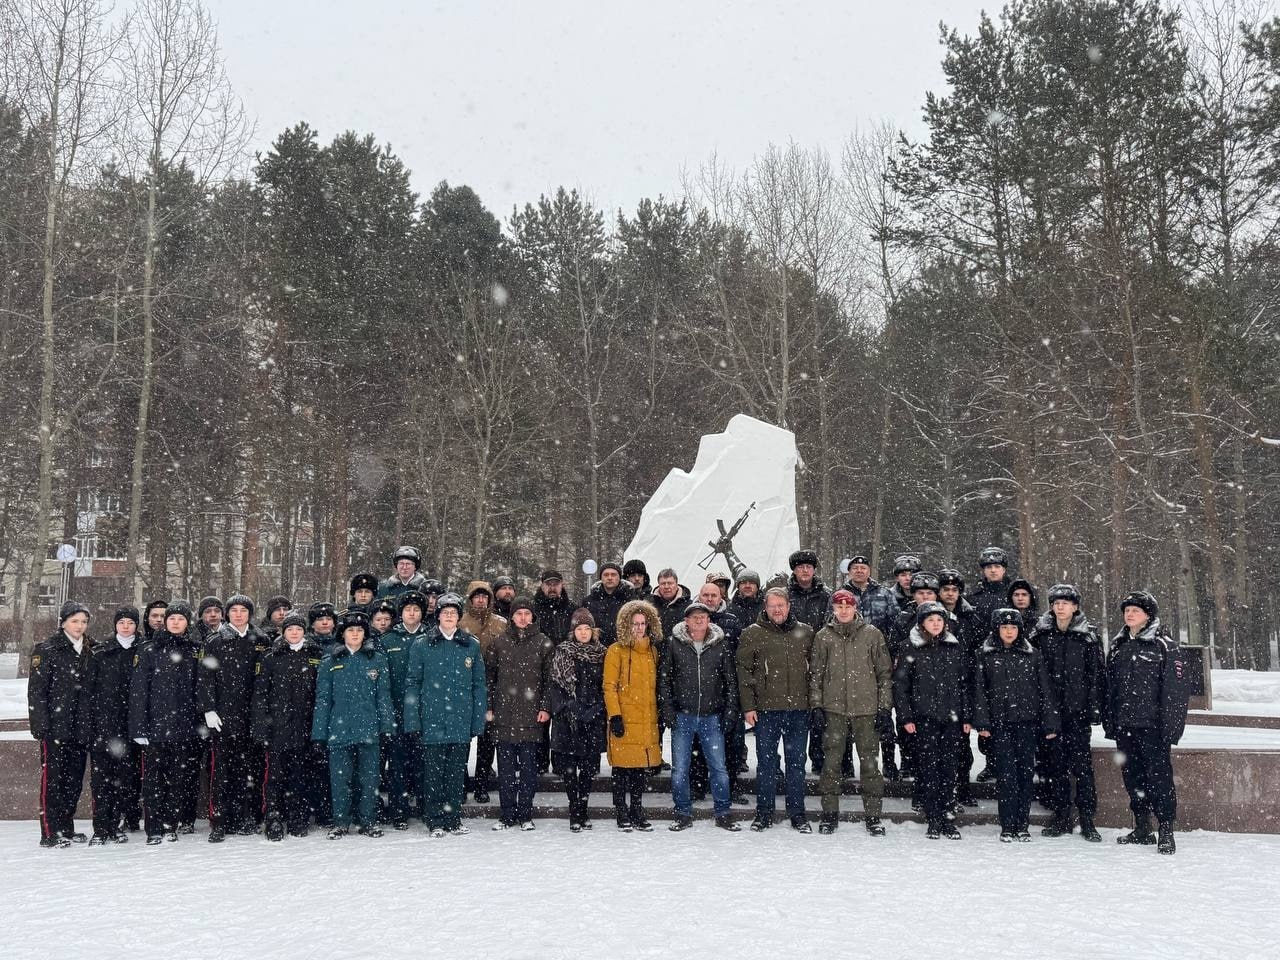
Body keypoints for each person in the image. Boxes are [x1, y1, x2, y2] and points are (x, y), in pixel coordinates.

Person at [1104, 591, 1188, 855]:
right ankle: (1142, 827)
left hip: (1154, 727)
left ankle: (1165, 829)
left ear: (1148, 615)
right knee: (1133, 778)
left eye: (1136, 611)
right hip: (1125, 726)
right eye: (1127, 610)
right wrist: (1111, 722)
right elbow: (1110, 689)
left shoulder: (1164, 645)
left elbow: (1175, 692)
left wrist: (1171, 728)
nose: (1129, 614)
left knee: (1159, 779)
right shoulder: (1119, 645)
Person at [403, 593, 488, 838]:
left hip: (460, 720)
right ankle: (434, 818)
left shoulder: (470, 644)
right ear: (437, 615)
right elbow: (412, 684)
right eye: (445, 612)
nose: (449, 617)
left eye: (453, 613)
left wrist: (477, 720)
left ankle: (453, 817)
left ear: (459, 617)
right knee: (433, 773)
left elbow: (478, 685)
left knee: (455, 773)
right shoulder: (422, 644)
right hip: (431, 719)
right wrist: (413, 719)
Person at [809, 590, 892, 836]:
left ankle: (874, 816)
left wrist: (884, 707)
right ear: (833, 609)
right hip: (834, 710)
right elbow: (816, 674)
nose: (844, 611)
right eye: (839, 606)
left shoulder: (872, 635)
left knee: (870, 765)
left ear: (855, 608)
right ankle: (829, 813)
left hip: (866, 710)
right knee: (831, 765)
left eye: (848, 606)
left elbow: (884, 675)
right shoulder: (824, 637)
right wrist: (816, 705)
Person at [973, 609, 1059, 842]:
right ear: (997, 630)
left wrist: (1050, 723)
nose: (1009, 631)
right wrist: (981, 721)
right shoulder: (985, 654)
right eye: (1004, 628)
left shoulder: (1033, 655)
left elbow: (1045, 691)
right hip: (1000, 724)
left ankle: (1022, 823)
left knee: (1024, 774)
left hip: (1027, 723)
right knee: (1006, 775)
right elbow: (980, 691)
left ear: (1020, 630)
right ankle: (1007, 825)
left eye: (1013, 628)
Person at [1029, 583, 1105, 842]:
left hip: (1078, 712)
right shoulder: (1040, 635)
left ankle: (1087, 819)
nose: (1060, 607)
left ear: (1075, 607)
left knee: (1082, 769)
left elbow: (1097, 674)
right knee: (1056, 767)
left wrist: (1094, 707)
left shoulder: (1088, 636)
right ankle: (1061, 815)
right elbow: (1035, 677)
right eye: (1056, 602)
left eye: (1066, 602)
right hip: (1050, 713)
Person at [311, 609, 393, 839]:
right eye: (350, 630)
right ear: (343, 634)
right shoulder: (330, 662)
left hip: (369, 730)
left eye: (359, 631)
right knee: (340, 779)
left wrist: (386, 727)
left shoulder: (377, 660)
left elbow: (383, 697)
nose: (355, 634)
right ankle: (341, 822)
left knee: (369, 779)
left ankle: (368, 821)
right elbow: (323, 700)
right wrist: (319, 734)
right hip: (339, 730)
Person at [660, 602, 742, 832]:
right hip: (682, 717)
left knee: (718, 768)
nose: (699, 621)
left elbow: (730, 681)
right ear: (686, 621)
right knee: (680, 769)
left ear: (709, 620)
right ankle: (683, 813)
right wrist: (667, 708)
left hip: (711, 716)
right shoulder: (674, 644)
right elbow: (664, 679)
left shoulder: (720, 644)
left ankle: (723, 812)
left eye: (703, 617)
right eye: (694, 617)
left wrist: (730, 710)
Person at [737, 587, 814, 832]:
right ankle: (764, 813)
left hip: (798, 710)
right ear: (765, 608)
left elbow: (815, 671)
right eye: (772, 606)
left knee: (796, 763)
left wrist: (814, 702)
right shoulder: (753, 634)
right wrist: (748, 706)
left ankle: (797, 813)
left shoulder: (806, 632)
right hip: (767, 711)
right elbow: (744, 672)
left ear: (789, 606)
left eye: (781, 605)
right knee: (767, 764)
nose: (777, 610)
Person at [893, 601, 971, 839]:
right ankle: (933, 818)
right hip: (923, 718)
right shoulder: (910, 647)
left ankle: (948, 817)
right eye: (931, 620)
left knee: (949, 769)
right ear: (922, 623)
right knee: (928, 769)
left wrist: (966, 716)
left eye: (939, 620)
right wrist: (906, 716)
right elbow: (901, 686)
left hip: (952, 719)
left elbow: (965, 685)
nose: (936, 624)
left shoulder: (955, 647)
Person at [197, 593, 270, 842]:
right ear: (228, 614)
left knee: (249, 769)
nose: (238, 614)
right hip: (223, 716)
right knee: (221, 770)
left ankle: (245, 816)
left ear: (250, 613)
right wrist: (208, 709)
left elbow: (266, 680)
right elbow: (205, 678)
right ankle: (219, 819)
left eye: (243, 610)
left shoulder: (261, 640)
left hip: (252, 716)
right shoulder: (215, 641)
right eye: (234, 610)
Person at [129, 600, 202, 844]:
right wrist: (139, 726)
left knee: (177, 779)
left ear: (187, 623)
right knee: (153, 780)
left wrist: (200, 723)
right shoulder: (150, 649)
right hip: (156, 727)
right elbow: (139, 691)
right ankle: (154, 827)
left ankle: (171, 823)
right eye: (172, 619)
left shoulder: (195, 649)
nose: (176, 622)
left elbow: (200, 689)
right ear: (165, 622)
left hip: (184, 726)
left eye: (181, 619)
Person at [251, 611, 322, 840]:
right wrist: (262, 725)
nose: (294, 633)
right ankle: (273, 817)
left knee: (299, 775)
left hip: (304, 726)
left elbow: (319, 693)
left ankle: (297, 817)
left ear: (304, 632)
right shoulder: (271, 657)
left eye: (298, 629)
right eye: (290, 629)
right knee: (274, 776)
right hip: (277, 726)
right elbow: (260, 694)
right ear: (283, 632)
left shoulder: (315, 655)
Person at [486, 598, 555, 830]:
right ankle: (506, 815)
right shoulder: (499, 642)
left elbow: (549, 680)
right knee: (505, 772)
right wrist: (489, 706)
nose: (523, 618)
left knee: (528, 771)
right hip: (504, 716)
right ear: (512, 617)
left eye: (527, 613)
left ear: (532, 616)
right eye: (519, 614)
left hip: (532, 717)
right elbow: (490, 679)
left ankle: (525, 814)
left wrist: (545, 707)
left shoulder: (543, 642)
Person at [29, 600, 92, 847]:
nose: (79, 626)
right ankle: (49, 832)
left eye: (84, 621)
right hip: (54, 727)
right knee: (52, 781)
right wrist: (40, 725)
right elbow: (37, 692)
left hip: (80, 728)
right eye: (75, 621)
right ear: (64, 622)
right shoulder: (46, 650)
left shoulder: (90, 649)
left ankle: (66, 827)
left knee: (74, 780)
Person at [80, 605, 144, 844]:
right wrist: (91, 724)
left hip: (131, 728)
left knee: (125, 779)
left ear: (137, 625)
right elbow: (88, 691)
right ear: (115, 625)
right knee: (101, 780)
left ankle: (117, 823)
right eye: (121, 622)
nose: (126, 627)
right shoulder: (100, 652)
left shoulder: (143, 650)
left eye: (130, 622)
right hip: (104, 727)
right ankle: (101, 827)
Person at [604, 600, 663, 832]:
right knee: (621, 769)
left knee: (639, 770)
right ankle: (621, 811)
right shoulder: (615, 650)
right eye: (635, 623)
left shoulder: (653, 651)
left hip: (646, 718)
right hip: (625, 718)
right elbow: (609, 686)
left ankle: (637, 810)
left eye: (642, 623)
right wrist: (615, 715)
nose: (639, 628)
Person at [548, 609, 607, 832]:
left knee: (588, 769)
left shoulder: (602, 653)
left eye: (587, 629)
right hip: (568, 719)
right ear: (574, 632)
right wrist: (570, 706)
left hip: (593, 718)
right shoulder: (562, 652)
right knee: (570, 769)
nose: (583, 633)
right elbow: (556, 684)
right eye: (579, 629)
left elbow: (607, 684)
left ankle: (584, 807)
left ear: (594, 631)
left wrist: (596, 708)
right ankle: (575, 811)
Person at [376, 591, 428, 828]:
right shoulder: (388, 641)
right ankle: (398, 811)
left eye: (416, 610)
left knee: (423, 763)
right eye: (408, 609)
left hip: (424, 712)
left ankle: (426, 807)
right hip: (397, 711)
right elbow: (383, 683)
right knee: (397, 764)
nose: (412, 613)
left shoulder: (431, 637)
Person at [938, 568, 982, 807]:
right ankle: (943, 794)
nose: (950, 594)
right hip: (936, 687)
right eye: (946, 589)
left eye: (955, 590)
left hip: (963, 685)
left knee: (963, 746)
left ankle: (963, 789)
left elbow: (977, 649)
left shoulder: (970, 617)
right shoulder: (931, 615)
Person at [462, 581, 507, 802]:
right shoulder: (460, 622)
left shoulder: (500, 623)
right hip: (464, 686)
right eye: (476, 597)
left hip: (492, 687)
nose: (481, 600)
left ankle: (481, 783)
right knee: (462, 738)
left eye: (485, 597)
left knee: (488, 740)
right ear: (470, 599)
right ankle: (461, 782)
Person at [966, 546, 1012, 635]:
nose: (993, 570)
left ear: (1004, 569)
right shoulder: (972, 596)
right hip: (979, 645)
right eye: (989, 567)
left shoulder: (1015, 594)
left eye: (997, 566)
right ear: (984, 570)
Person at [585, 562, 634, 646]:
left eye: (613, 575)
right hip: (596, 649)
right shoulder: (589, 601)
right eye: (606, 575)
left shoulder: (630, 600)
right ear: (601, 578)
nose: (610, 578)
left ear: (619, 577)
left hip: (624, 647)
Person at [531, 569, 576, 645]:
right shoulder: (532, 609)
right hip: (540, 654)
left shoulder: (573, 608)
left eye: (556, 584)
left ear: (562, 585)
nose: (552, 588)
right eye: (548, 584)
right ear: (542, 586)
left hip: (567, 653)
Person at [652, 567, 692, 639]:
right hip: (653, 648)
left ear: (676, 585)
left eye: (670, 583)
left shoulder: (689, 606)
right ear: (658, 585)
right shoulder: (649, 604)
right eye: (663, 583)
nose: (666, 587)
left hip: (679, 647)